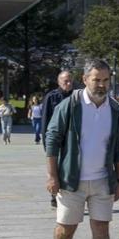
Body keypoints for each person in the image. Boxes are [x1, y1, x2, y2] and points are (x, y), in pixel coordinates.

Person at [44, 58, 119, 239]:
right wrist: (52, 175)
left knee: (102, 228)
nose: (101, 85)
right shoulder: (70, 106)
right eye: (96, 80)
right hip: (71, 179)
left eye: (105, 80)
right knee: (65, 230)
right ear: (85, 79)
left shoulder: (115, 110)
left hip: (102, 179)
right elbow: (52, 140)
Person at [42, 70, 76, 208]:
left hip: (72, 139)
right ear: (59, 82)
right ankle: (54, 195)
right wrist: (47, 143)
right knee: (55, 168)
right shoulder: (51, 97)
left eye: (70, 81)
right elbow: (45, 121)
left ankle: (70, 195)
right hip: (56, 139)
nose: (68, 84)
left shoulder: (76, 96)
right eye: (65, 81)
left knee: (69, 168)